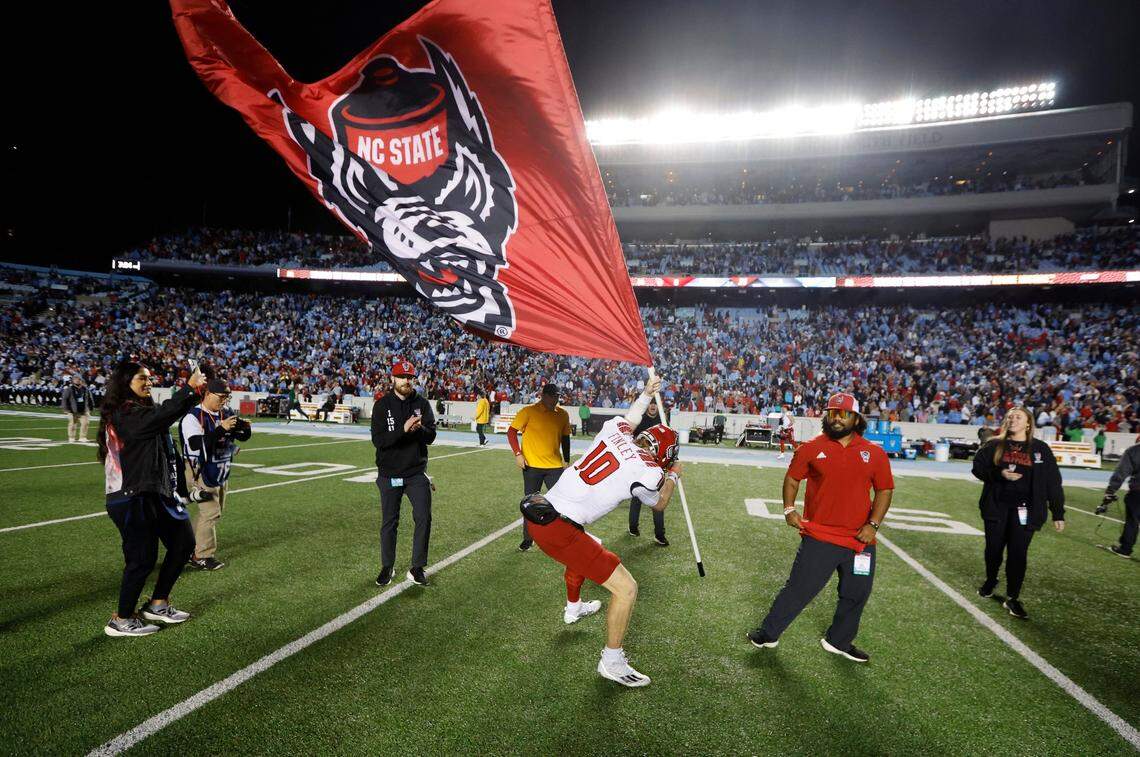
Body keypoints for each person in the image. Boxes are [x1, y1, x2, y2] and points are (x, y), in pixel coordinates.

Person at [521, 374, 681, 687]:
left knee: (588, 543)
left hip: (543, 512)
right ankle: (613, 661)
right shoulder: (649, 470)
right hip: (558, 528)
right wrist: (674, 474)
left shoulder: (614, 431)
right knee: (627, 588)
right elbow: (659, 504)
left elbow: (631, 419)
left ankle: (574, 607)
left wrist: (647, 394)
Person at [747, 393, 894, 663]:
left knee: (857, 593)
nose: (836, 418)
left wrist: (873, 525)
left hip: (860, 540)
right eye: (832, 413)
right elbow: (792, 479)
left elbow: (884, 490)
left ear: (856, 418)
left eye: (844, 414)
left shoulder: (873, 453)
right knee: (799, 589)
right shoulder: (811, 448)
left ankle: (839, 641)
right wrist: (789, 509)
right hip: (820, 536)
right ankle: (768, 634)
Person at [98, 360, 206, 637]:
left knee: (183, 544)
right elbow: (155, 421)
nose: (148, 382)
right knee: (142, 559)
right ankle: (121, 619)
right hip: (130, 496)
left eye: (149, 378)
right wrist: (187, 390)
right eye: (141, 378)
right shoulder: (123, 412)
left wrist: (179, 489)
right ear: (125, 382)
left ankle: (158, 604)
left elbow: (166, 448)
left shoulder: (143, 410)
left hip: (156, 493)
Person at [971, 407, 1065, 619]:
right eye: (1010, 416)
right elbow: (977, 468)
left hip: (1027, 510)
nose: (1013, 419)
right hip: (997, 507)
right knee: (993, 549)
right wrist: (999, 473)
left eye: (1018, 417)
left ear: (1028, 423)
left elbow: (1053, 482)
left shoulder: (1041, 449)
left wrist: (1058, 512)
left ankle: (1013, 597)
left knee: (1018, 553)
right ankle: (991, 579)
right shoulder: (994, 444)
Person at [371, 359, 437, 587]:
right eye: (402, 377)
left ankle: (417, 567)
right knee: (389, 522)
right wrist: (403, 430)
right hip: (389, 474)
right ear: (393, 379)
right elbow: (379, 441)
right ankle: (387, 567)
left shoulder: (422, 403)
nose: (406, 381)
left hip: (416, 472)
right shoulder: (381, 405)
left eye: (410, 377)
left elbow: (431, 436)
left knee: (423, 517)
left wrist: (420, 430)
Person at [179, 377, 251, 571]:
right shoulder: (192, 417)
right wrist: (221, 428)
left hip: (220, 467)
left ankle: (187, 549)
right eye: (221, 397)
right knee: (210, 512)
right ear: (208, 393)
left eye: (227, 397)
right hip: (199, 468)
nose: (224, 401)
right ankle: (202, 556)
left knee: (213, 513)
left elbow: (240, 437)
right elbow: (195, 444)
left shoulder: (224, 412)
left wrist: (244, 429)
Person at [508, 384, 573, 551]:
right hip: (532, 467)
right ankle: (528, 540)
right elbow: (511, 432)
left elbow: (565, 439)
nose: (554, 399)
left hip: (555, 467)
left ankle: (560, 537)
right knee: (530, 504)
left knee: (560, 503)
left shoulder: (563, 414)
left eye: (557, 396)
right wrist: (518, 454)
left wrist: (566, 459)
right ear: (543, 395)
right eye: (551, 395)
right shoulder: (528, 411)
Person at [628, 395, 670, 546]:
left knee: (657, 498)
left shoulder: (663, 421)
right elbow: (630, 440)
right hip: (640, 464)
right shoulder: (639, 420)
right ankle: (633, 527)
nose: (652, 406)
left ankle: (659, 534)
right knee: (637, 496)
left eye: (655, 403)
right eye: (650, 403)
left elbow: (668, 442)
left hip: (657, 465)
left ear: (658, 405)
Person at [1096, 442, 1140, 558]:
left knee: (1132, 521)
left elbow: (1121, 472)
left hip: (1138, 492)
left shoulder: (1134, 450)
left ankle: (1125, 549)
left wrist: (1110, 491)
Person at [61, 374, 94, 443]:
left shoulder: (85, 389)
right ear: (73, 381)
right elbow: (64, 399)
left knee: (85, 423)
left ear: (81, 380)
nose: (77, 380)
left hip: (83, 410)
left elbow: (90, 399)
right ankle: (72, 437)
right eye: (75, 379)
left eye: (78, 379)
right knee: (73, 424)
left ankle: (82, 437)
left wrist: (91, 408)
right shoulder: (69, 389)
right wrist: (65, 409)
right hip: (72, 410)